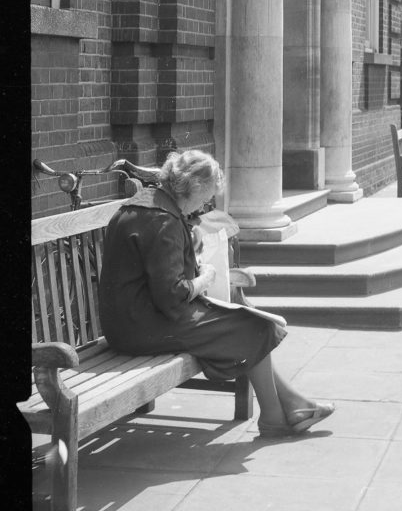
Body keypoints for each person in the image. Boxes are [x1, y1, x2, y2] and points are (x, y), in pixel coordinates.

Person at [98, 148, 334, 439]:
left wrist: (188, 247)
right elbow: (172, 295)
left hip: (130, 320)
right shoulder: (162, 221)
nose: (205, 205)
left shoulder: (147, 206)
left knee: (246, 321)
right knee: (252, 327)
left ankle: (293, 406)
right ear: (193, 188)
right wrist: (204, 278)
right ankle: (275, 417)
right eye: (206, 197)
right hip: (141, 327)